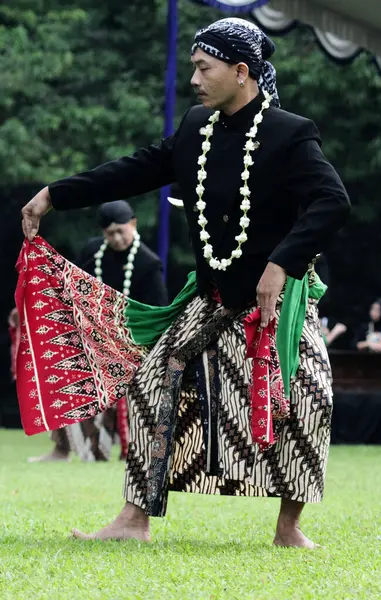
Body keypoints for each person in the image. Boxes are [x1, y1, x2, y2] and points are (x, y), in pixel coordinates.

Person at [21, 18, 350, 547]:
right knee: (152, 386)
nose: (194, 79)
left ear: (241, 72)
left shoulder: (291, 133)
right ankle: (133, 520)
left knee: (310, 395)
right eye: (194, 67)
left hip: (277, 300)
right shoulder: (197, 127)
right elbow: (136, 169)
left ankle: (288, 529)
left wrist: (282, 263)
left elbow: (332, 201)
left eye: (204, 68)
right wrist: (55, 194)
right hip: (213, 296)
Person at [28, 201, 168, 462]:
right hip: (89, 340)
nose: (116, 238)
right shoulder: (93, 253)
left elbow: (156, 312)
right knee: (62, 370)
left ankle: (116, 449)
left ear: (133, 224)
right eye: (109, 233)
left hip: (129, 347)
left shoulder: (148, 264)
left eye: (120, 231)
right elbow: (70, 290)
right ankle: (62, 448)